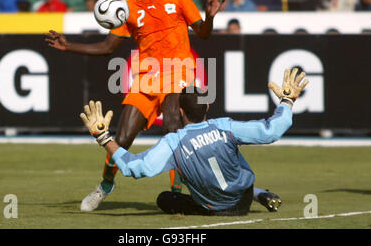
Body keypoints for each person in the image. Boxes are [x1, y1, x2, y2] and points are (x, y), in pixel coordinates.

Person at [45, 0, 224, 212]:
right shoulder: (127, 9)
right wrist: (68, 46)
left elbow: (203, 34)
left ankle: (176, 193)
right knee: (123, 137)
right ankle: (105, 185)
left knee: (173, 128)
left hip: (178, 73)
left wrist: (209, 17)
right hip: (147, 78)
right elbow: (107, 47)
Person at [79, 68, 309, 215]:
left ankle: (255, 193)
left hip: (215, 209)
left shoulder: (173, 142)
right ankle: (259, 193)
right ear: (207, 107)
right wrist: (287, 101)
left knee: (165, 199)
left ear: (179, 111)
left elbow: (134, 168)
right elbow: (272, 131)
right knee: (231, 152)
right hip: (243, 200)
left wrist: (104, 137)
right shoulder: (225, 126)